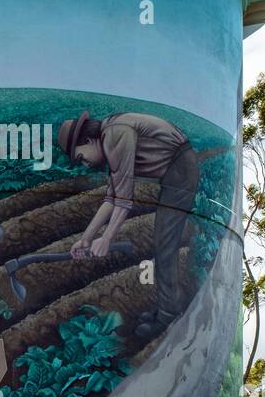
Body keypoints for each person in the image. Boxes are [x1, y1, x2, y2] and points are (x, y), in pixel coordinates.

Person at [58, 109, 199, 344]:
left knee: (165, 243)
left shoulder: (115, 134)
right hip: (176, 168)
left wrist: (107, 238)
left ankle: (168, 316)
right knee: (163, 242)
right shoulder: (110, 137)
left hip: (180, 168)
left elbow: (124, 200)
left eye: (81, 157)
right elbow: (111, 198)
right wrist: (87, 237)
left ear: (89, 140)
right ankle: (168, 307)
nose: (84, 164)